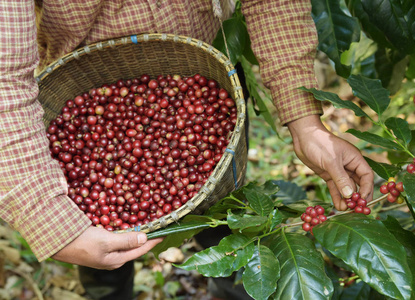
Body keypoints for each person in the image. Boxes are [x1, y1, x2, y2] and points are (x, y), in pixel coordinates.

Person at [0, 0, 374, 298]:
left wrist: (306, 122)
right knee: (98, 251)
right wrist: (51, 221)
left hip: (203, 63)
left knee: (229, 227)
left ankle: (235, 291)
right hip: (81, 72)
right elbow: (4, 79)